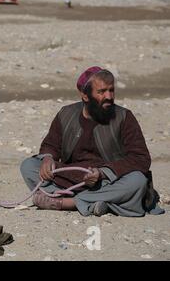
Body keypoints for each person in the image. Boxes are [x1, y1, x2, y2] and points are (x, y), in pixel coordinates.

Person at [20, 66, 164, 217]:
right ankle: (100, 203)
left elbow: (140, 159)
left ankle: (68, 203)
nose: (109, 96)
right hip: (72, 178)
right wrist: (47, 158)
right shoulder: (66, 114)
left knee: (137, 181)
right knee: (29, 166)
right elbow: (51, 145)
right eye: (101, 92)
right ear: (85, 95)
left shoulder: (124, 117)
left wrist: (102, 173)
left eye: (111, 90)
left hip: (108, 181)